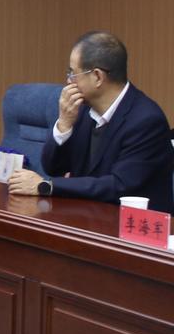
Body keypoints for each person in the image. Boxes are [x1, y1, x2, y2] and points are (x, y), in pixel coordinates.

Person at [9, 32, 174, 211]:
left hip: (130, 222)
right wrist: (64, 124)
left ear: (97, 77)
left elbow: (118, 185)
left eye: (73, 73)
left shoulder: (146, 120)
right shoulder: (82, 110)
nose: (68, 80)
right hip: (87, 215)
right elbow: (53, 168)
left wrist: (48, 186)